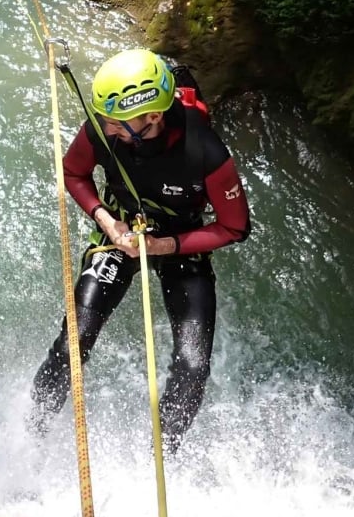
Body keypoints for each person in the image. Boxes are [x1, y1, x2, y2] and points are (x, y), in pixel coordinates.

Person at [29, 48, 251, 453]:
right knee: (73, 342)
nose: (106, 129)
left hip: (181, 239)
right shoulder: (102, 128)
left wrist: (166, 245)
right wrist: (106, 221)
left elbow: (235, 226)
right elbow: (74, 172)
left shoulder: (206, 152)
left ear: (152, 117)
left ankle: (163, 454)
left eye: (115, 122)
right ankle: (33, 430)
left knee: (193, 366)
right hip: (122, 228)